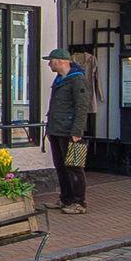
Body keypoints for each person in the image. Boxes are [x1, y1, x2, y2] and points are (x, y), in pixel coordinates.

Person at [44, 48, 90, 215]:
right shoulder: (60, 79)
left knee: (74, 167)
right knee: (61, 167)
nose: (49, 64)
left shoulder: (77, 80)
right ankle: (66, 199)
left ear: (61, 61)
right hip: (56, 130)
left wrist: (77, 131)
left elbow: (82, 106)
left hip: (70, 132)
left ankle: (79, 202)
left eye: (51, 61)